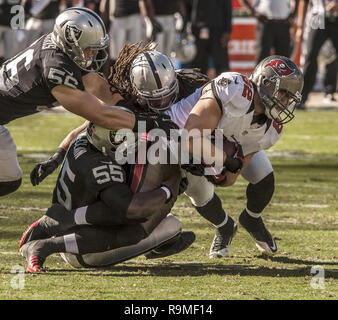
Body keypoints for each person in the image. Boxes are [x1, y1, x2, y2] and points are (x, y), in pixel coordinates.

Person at [35, 43, 304, 259]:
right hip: (182, 146)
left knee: (262, 177)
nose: (161, 100)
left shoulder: (205, 89)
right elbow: (97, 120)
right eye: (152, 97)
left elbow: (217, 157)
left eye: (166, 92)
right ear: (138, 93)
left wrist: (224, 166)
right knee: (194, 191)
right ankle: (220, 228)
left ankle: (251, 219)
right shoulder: (135, 104)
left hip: (214, 139)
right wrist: (60, 152)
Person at [0, 7, 177, 197]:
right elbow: (100, 115)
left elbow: (102, 89)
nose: (93, 54)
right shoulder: (55, 67)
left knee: (9, 180)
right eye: (89, 49)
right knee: (8, 180)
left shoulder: (62, 51)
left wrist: (132, 107)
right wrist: (149, 123)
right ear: (70, 41)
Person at [20, 108, 195, 272]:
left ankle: (54, 222)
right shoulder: (101, 167)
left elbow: (96, 118)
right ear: (110, 144)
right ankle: (48, 245)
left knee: (136, 208)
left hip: (74, 222)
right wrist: (168, 189)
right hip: (83, 250)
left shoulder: (86, 139)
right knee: (145, 228)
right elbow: (132, 209)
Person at [295, 0, 338, 109]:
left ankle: (330, 90)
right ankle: (302, 98)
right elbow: (303, 2)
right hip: (317, 16)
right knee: (310, 55)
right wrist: (300, 26)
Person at [183, 0, 232, 75]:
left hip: (218, 30)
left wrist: (228, 30)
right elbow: (187, 6)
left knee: (222, 66)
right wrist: (186, 27)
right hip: (197, 30)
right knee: (198, 66)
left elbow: (227, 6)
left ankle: (226, 86)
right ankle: (198, 86)